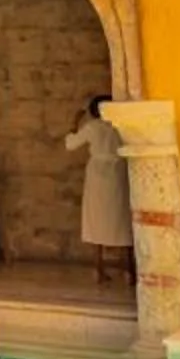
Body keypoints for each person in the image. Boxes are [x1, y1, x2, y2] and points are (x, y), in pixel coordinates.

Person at [64, 96, 131, 283]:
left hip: (98, 175)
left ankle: (99, 267)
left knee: (97, 218)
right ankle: (128, 270)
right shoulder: (121, 125)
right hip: (119, 171)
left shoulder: (92, 128)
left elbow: (70, 144)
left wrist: (74, 122)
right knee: (122, 218)